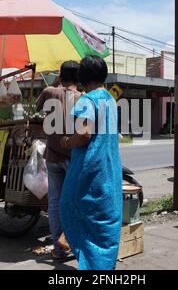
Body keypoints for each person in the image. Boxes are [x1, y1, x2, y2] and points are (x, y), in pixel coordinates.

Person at [59, 55, 123, 270]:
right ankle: (104, 265)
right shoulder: (109, 99)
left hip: (89, 169)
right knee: (104, 222)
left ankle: (90, 263)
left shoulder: (87, 100)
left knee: (72, 208)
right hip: (109, 169)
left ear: (82, 76)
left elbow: (84, 134)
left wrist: (67, 142)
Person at [36, 61, 81, 260]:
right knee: (75, 202)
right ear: (79, 78)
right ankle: (72, 244)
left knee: (54, 203)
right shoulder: (83, 98)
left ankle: (59, 248)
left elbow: (37, 107)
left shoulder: (49, 92)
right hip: (73, 157)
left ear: (61, 75)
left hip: (52, 155)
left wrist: (54, 84)